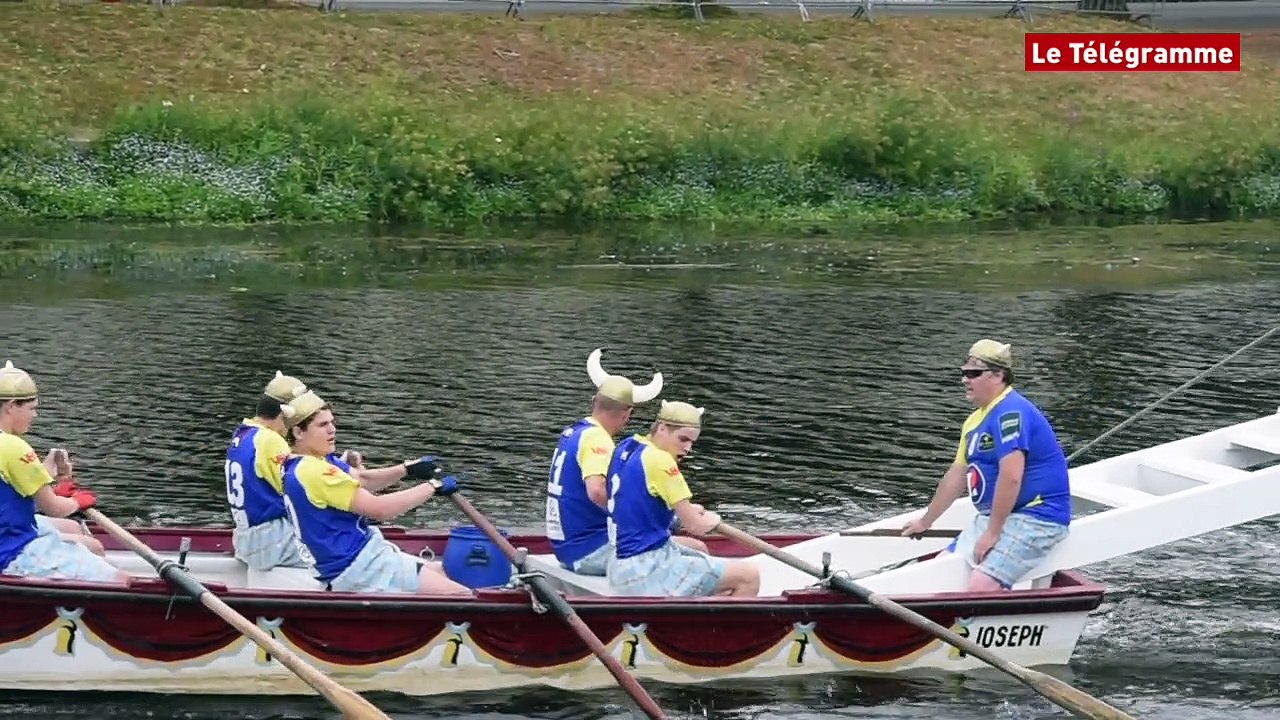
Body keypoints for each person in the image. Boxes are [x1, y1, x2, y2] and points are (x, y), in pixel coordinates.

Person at [901, 339, 1072, 592]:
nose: (965, 380)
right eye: (963, 373)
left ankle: (969, 626)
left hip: (1036, 516)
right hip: (996, 516)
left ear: (998, 375)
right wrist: (926, 521)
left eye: (973, 373)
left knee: (981, 584)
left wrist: (993, 533)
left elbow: (1012, 476)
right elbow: (956, 476)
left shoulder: (1011, 413)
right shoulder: (973, 421)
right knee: (939, 570)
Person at [279, 389, 471, 595]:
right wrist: (433, 487)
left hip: (361, 557)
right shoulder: (316, 472)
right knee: (462, 596)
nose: (332, 430)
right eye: (323, 425)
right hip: (360, 568)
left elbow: (362, 479)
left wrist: (407, 469)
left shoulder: (305, 461)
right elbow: (380, 509)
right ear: (298, 432)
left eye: (332, 422)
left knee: (445, 570)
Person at [606, 400, 760, 597]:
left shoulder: (628, 446)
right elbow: (697, 526)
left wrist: (684, 509)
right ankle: (726, 628)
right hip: (645, 570)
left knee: (698, 549)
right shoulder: (661, 461)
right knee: (748, 575)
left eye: (692, 442)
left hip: (617, 566)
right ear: (662, 428)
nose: (688, 449)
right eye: (683, 439)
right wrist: (713, 520)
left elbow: (640, 496)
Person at [0, 360, 130, 584]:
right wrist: (79, 500)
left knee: (74, 528)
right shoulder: (13, 446)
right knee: (122, 580)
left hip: (9, 531)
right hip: (11, 550)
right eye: (32, 408)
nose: (35, 415)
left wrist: (50, 480)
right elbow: (54, 508)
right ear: (11, 406)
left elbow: (18, 486)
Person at [545, 347, 663, 576]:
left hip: (566, 548)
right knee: (695, 548)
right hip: (590, 550)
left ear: (593, 401)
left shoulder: (572, 432)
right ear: (628, 413)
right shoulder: (597, 439)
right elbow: (597, 492)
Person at [225, 370, 311, 571]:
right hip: (271, 541)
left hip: (246, 539)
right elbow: (303, 491)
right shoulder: (271, 441)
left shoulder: (243, 434)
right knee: (342, 549)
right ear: (285, 415)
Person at [36, 448, 105, 556]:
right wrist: (76, 502)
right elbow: (54, 509)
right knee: (95, 547)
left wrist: (51, 491)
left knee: (73, 526)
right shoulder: (15, 447)